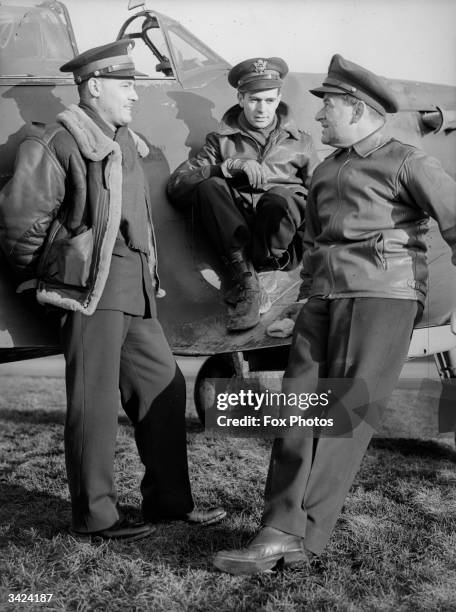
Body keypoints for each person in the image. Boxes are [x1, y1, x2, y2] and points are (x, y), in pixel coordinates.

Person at [213, 54, 456, 574]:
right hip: (321, 302)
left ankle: (300, 533)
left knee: (345, 419)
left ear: (357, 108)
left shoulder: (408, 161)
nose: (318, 119)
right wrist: (298, 304)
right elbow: (313, 243)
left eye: (328, 109)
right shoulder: (325, 170)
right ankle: (281, 526)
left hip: (382, 299)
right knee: (297, 412)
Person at [0, 40, 225, 542]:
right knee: (94, 405)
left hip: (136, 289)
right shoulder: (57, 140)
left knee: (164, 388)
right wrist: (61, 271)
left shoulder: (124, 138)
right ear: (94, 86)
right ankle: (95, 518)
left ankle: (169, 504)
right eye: (126, 86)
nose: (134, 96)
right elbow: (18, 224)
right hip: (90, 292)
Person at [167, 57, 319, 332]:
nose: (262, 109)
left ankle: (269, 274)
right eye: (254, 100)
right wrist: (224, 167)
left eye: (269, 100)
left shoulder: (302, 143)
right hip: (238, 242)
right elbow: (177, 185)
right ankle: (249, 284)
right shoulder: (220, 142)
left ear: (279, 98)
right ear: (240, 98)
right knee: (209, 185)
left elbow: (321, 199)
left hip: (282, 246)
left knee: (280, 197)